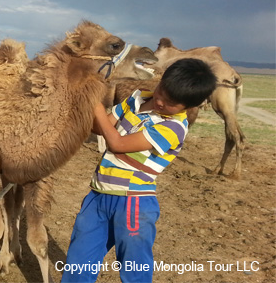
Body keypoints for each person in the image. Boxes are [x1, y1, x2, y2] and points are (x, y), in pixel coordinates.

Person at [61, 58, 217, 283]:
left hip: (134, 203)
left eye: (171, 102)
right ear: (160, 81)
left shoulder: (173, 128)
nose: (161, 102)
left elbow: (118, 144)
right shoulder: (137, 98)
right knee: (78, 261)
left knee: (134, 270)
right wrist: (94, 97)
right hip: (98, 195)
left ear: (189, 107)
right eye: (162, 91)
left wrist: (95, 104)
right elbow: (99, 126)